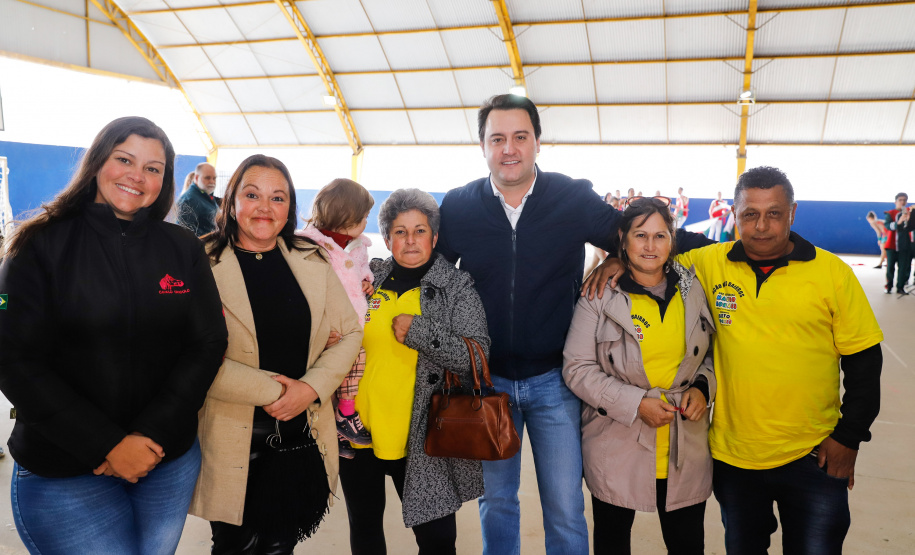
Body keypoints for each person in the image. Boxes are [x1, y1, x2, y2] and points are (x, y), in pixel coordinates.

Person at [586, 166, 883, 554]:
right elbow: (652, 252)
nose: (761, 226)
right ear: (734, 214)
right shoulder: (709, 263)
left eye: (773, 213)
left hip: (813, 456)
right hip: (735, 459)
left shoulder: (832, 274)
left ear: (792, 213)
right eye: (750, 214)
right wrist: (617, 259)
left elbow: (865, 365)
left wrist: (848, 438)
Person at [0, 116, 228, 555]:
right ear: (98, 161)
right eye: (124, 159)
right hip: (65, 468)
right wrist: (106, 444)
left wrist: (151, 435)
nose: (137, 176)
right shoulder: (38, 245)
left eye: (153, 168)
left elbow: (207, 343)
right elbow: (14, 359)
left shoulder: (181, 248)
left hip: (165, 460)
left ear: (165, 180)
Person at [189, 155, 363, 554]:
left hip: (299, 437)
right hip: (231, 436)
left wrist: (310, 389)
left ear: (290, 208)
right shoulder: (199, 261)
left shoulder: (311, 260)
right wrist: (278, 392)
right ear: (231, 201)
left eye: (278, 197)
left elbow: (351, 332)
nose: (265, 207)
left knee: (281, 544)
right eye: (253, 195)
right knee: (235, 545)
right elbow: (190, 351)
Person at [339, 188, 488, 555]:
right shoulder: (365, 279)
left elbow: (479, 359)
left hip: (424, 435)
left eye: (419, 230)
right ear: (387, 238)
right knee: (366, 529)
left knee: (437, 541)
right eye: (400, 231)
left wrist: (421, 332)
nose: (410, 239)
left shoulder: (456, 287)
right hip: (359, 432)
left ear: (434, 237)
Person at [563, 196, 716, 554]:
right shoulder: (599, 294)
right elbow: (577, 368)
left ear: (672, 241)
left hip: (685, 445)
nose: (650, 246)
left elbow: (710, 352)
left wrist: (702, 387)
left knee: (688, 543)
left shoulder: (694, 289)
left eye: (660, 236)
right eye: (640, 235)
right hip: (616, 441)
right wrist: (636, 403)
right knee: (613, 543)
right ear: (623, 238)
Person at [298, 178, 376, 459]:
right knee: (335, 371)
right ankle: (343, 415)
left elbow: (362, 268)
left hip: (351, 323)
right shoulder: (309, 245)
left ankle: (339, 427)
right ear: (346, 216)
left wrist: (367, 280)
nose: (367, 222)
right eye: (364, 217)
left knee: (348, 365)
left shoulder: (358, 245)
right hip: (326, 326)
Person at [177, 162, 219, 236]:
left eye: (214, 178)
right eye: (207, 178)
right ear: (196, 178)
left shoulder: (206, 196)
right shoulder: (189, 200)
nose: (212, 182)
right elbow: (185, 234)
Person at [884, 193, 908, 294]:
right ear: (896, 201)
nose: (902, 202)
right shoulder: (890, 213)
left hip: (904, 245)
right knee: (890, 267)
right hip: (892, 245)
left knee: (903, 267)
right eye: (900, 200)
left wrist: (908, 220)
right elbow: (888, 226)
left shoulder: (908, 213)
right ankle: (888, 286)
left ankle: (900, 287)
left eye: (904, 200)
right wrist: (899, 222)